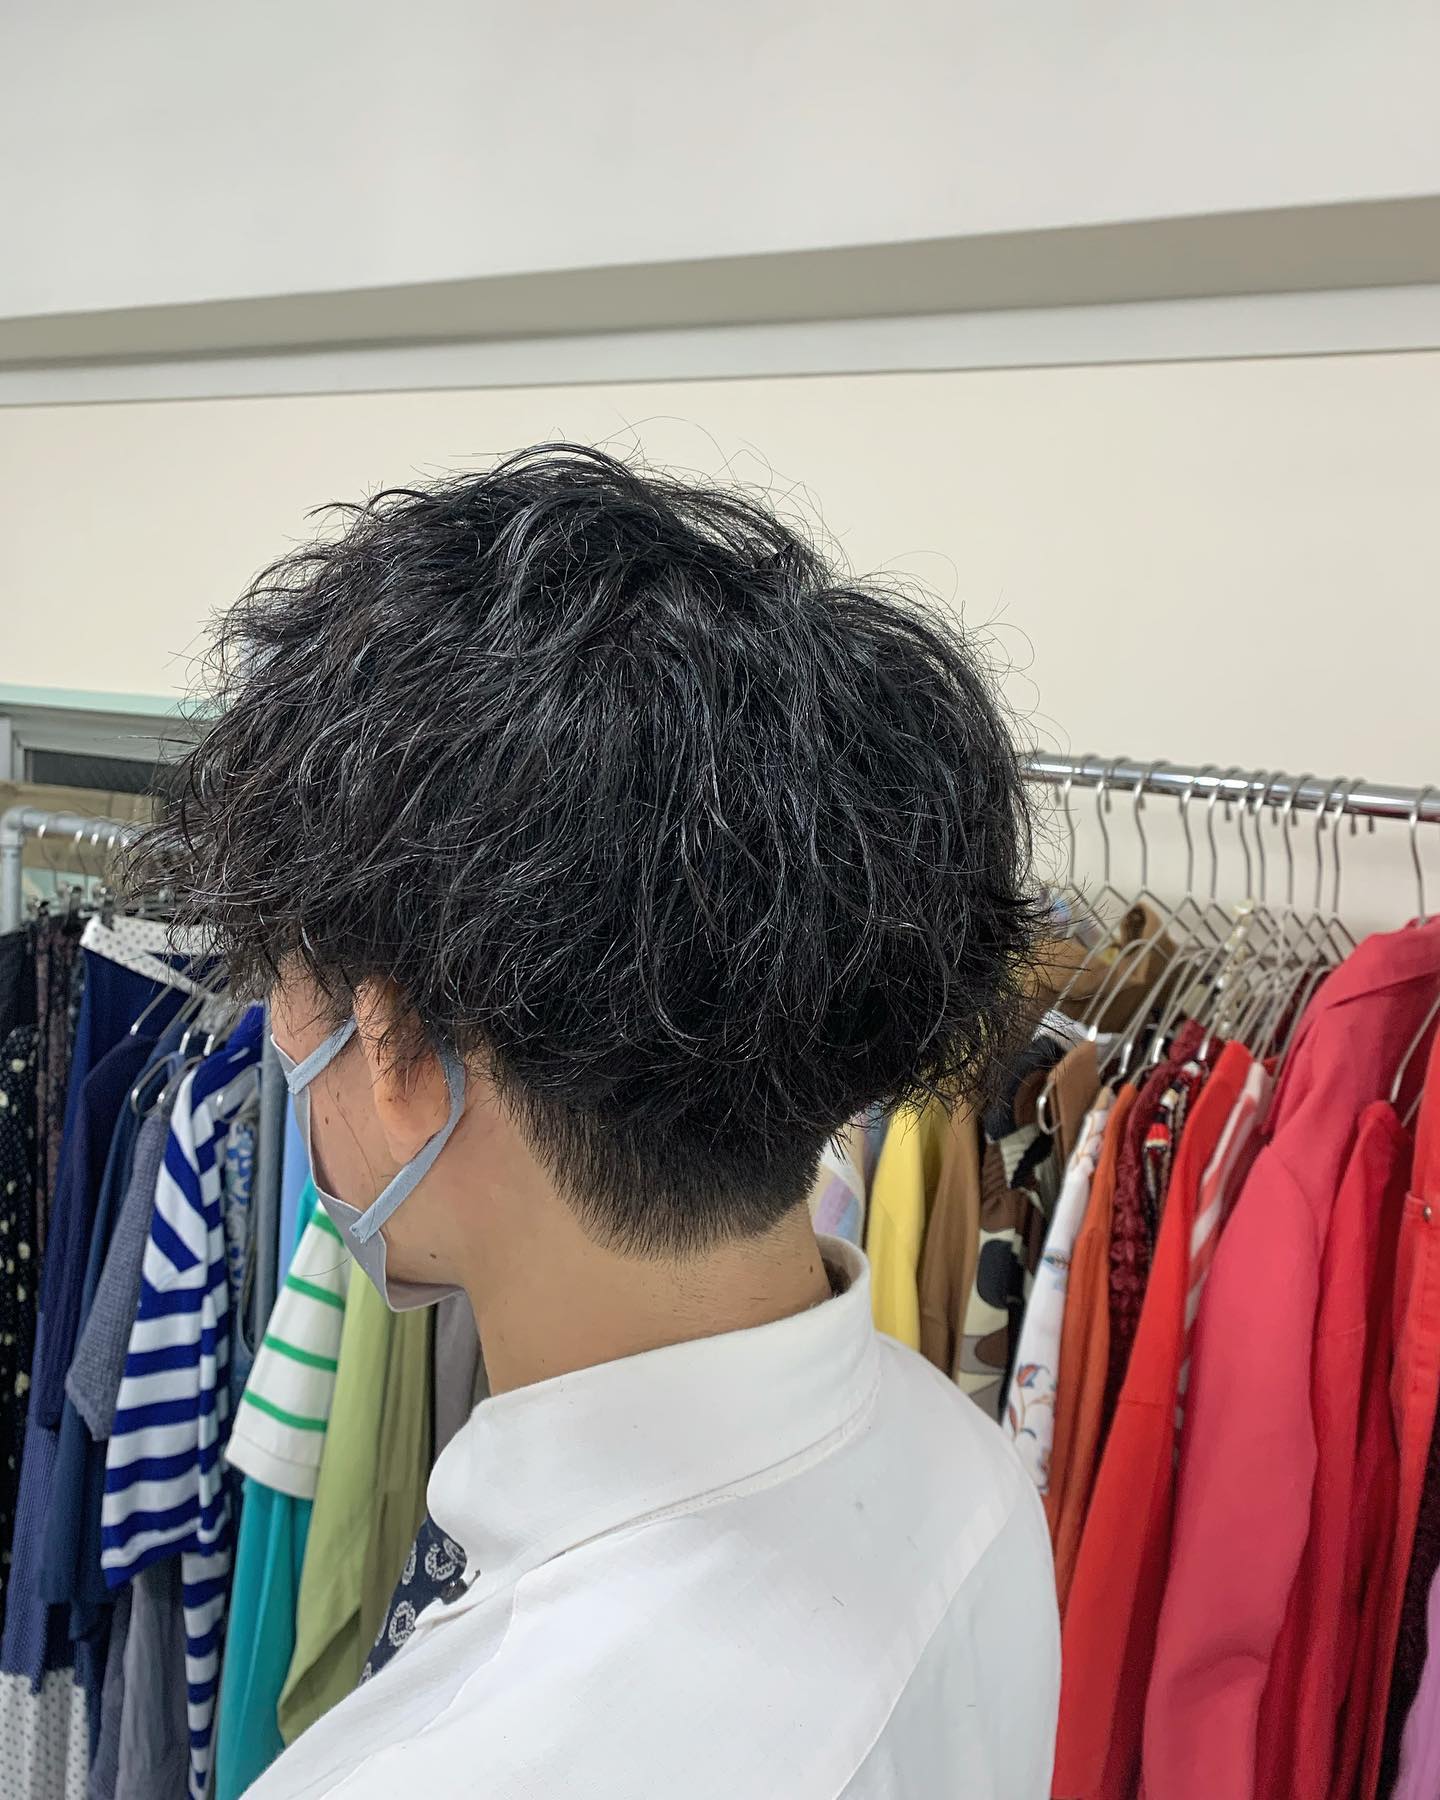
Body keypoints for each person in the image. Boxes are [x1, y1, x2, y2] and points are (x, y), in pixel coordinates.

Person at [129, 444, 1060, 1797]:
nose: (274, 1043)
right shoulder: (970, 1480)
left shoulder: (429, 1771)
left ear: (396, 1051)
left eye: (279, 987)